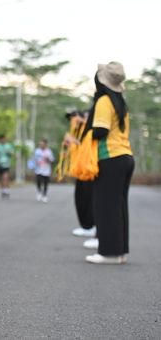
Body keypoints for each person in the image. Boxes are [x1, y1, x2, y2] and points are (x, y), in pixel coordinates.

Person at [84, 62, 134, 265]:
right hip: (125, 157)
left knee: (105, 206)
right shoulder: (121, 103)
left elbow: (101, 131)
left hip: (110, 158)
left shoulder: (104, 101)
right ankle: (119, 253)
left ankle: (109, 253)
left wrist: (86, 135)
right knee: (118, 206)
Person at [64, 110, 96, 238]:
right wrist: (71, 143)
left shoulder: (92, 130)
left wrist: (76, 142)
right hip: (80, 172)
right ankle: (85, 226)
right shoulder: (78, 131)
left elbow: (90, 147)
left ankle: (91, 226)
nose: (74, 120)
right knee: (80, 199)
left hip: (90, 171)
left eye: (76, 117)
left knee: (89, 200)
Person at [31, 138, 54, 203]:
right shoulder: (37, 151)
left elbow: (52, 160)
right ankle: (39, 192)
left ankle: (44, 195)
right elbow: (34, 159)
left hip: (46, 170)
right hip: (38, 169)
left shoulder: (49, 151)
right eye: (40, 144)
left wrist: (48, 159)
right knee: (38, 181)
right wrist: (33, 166)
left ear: (45, 144)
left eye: (42, 144)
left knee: (46, 183)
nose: (41, 145)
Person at [0, 135, 14, 199]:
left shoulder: (8, 146)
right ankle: (3, 190)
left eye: (3, 139)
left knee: (5, 177)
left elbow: (12, 154)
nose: (2, 140)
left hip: (6, 164)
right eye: (1, 139)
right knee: (1, 178)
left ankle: (6, 190)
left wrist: (9, 153)